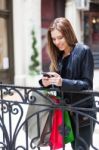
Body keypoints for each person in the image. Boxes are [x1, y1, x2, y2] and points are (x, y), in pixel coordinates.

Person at [39, 17, 96, 150]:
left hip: (83, 114)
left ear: (68, 34)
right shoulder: (58, 56)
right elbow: (60, 84)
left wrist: (62, 82)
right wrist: (46, 83)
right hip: (66, 114)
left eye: (60, 37)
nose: (57, 42)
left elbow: (87, 85)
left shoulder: (83, 51)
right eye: (54, 39)